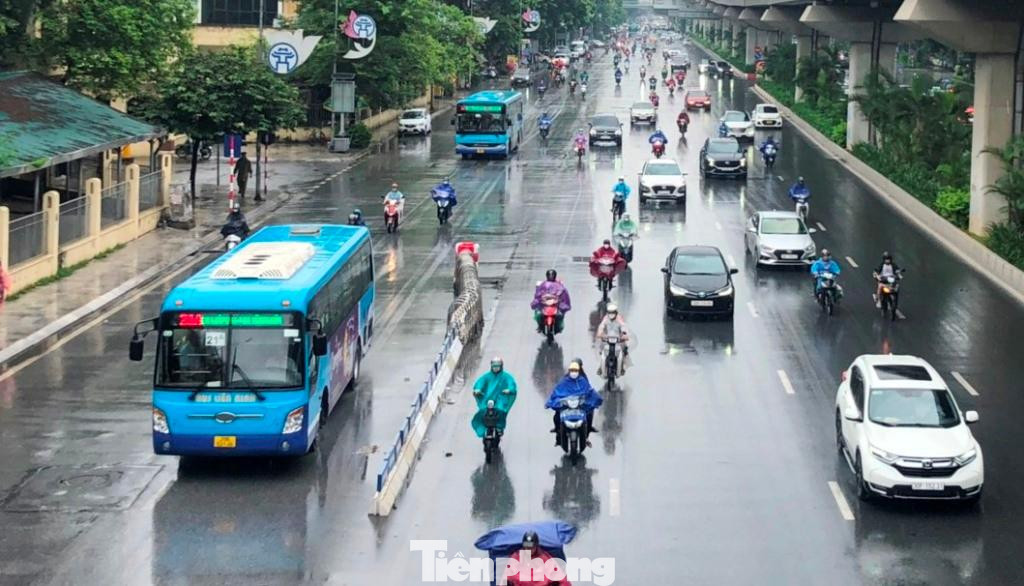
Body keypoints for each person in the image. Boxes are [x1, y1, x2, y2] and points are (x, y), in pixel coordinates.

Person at [546, 362, 603, 438]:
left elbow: (588, 390)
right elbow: (558, 391)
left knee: (589, 412)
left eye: (575, 370)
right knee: (557, 414)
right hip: (567, 402)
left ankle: (588, 429)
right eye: (572, 370)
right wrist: (554, 400)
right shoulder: (565, 381)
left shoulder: (582, 380)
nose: (574, 372)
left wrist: (594, 397)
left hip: (580, 402)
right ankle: (558, 431)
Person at [471, 357, 518, 439]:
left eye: (498, 366)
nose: (496, 368)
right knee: (482, 411)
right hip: (488, 399)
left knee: (501, 411)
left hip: (501, 399)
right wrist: (478, 389)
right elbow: (480, 382)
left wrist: (509, 390)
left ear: (501, 366)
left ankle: (500, 427)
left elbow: (511, 383)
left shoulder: (506, 376)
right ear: (491, 366)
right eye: (494, 366)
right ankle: (482, 427)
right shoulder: (487, 376)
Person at [502, 531, 571, 586]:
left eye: (531, 547)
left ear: (536, 546)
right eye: (527, 547)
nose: (528, 549)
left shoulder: (546, 559)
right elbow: (506, 579)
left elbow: (562, 580)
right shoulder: (516, 558)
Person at [531, 269, 572, 333]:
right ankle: (540, 325)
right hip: (544, 303)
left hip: (555, 303)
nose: (551, 277)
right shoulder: (543, 284)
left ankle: (559, 326)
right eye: (550, 275)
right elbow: (538, 293)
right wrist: (539, 299)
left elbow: (562, 292)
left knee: (560, 314)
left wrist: (561, 298)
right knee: (539, 314)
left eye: (552, 275)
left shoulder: (558, 284)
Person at [595, 304, 630, 376]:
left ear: (616, 312)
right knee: (601, 349)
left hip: (618, 339)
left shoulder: (619, 319)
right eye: (610, 312)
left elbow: (623, 327)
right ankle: (601, 366)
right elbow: (601, 326)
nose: (611, 314)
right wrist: (600, 333)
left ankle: (622, 366)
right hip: (607, 339)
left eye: (613, 312)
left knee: (625, 349)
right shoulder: (606, 319)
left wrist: (624, 335)